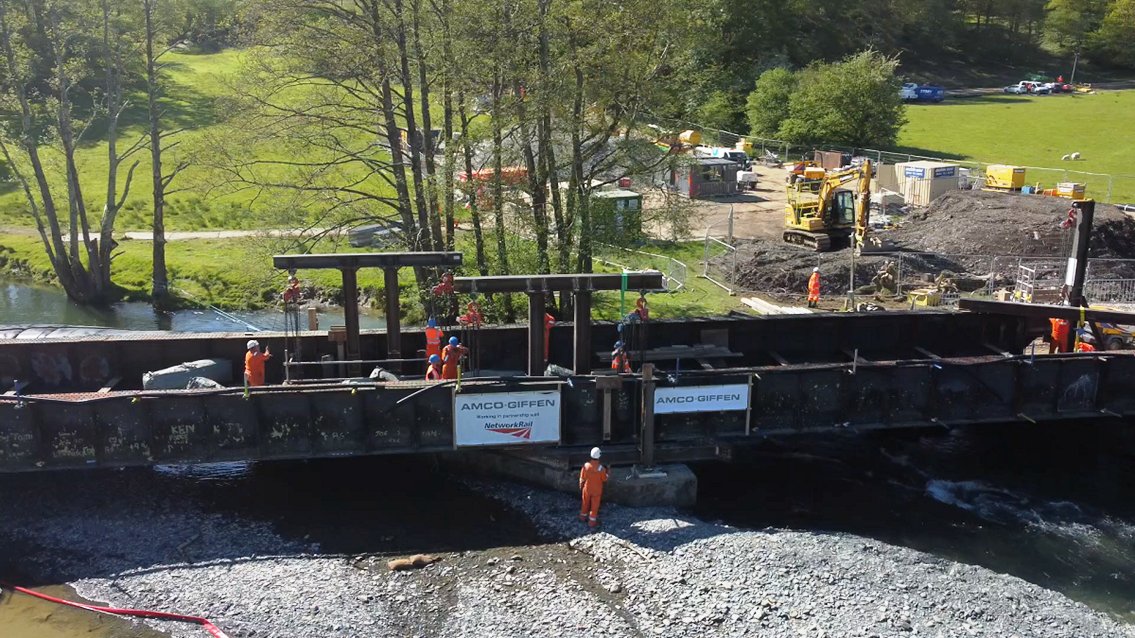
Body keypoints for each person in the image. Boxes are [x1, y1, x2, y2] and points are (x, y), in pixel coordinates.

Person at [579, 447, 609, 528]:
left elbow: (582, 478)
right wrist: (608, 472)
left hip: (587, 489)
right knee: (594, 506)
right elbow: (605, 479)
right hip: (597, 490)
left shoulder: (586, 466)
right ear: (599, 456)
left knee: (585, 503)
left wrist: (581, 486)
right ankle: (591, 522)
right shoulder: (601, 469)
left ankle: (582, 517)